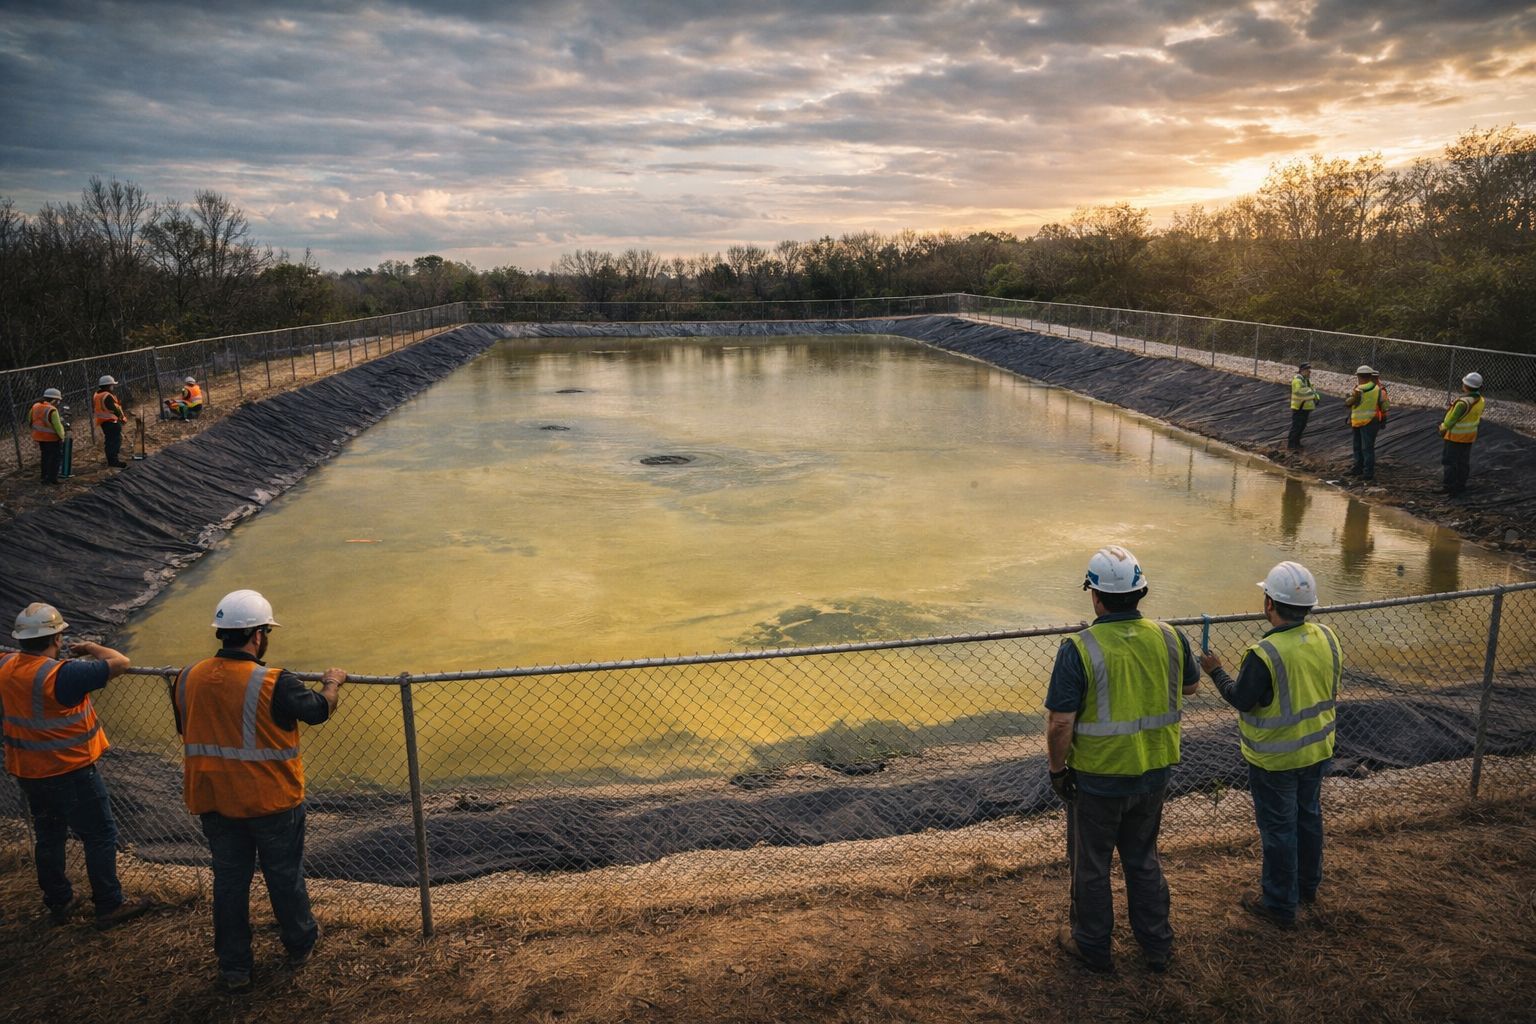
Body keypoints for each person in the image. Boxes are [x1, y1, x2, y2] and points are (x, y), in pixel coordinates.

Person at [174, 589, 347, 992]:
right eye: (266, 631)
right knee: (283, 875)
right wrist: (332, 683)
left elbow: (188, 727)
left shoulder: (186, 677)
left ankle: (234, 967)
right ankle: (300, 944)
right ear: (256, 636)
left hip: (214, 800)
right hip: (269, 801)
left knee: (230, 882)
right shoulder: (274, 681)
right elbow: (318, 711)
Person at [1045, 546, 1200, 973]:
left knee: (1091, 866)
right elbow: (1190, 687)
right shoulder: (1170, 636)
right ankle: (1157, 946)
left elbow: (1061, 723)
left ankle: (1093, 947)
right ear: (1140, 592)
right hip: (1154, 772)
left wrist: (1058, 771)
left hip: (1098, 779)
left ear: (1094, 595)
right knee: (1143, 858)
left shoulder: (1079, 648)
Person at [1197, 562, 1341, 930]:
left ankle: (1279, 903)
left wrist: (1215, 670)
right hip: (1318, 748)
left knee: (1279, 829)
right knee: (1308, 818)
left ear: (1269, 604)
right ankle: (1307, 887)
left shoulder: (1265, 653)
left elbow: (1242, 698)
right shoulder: (1327, 636)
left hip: (1276, 759)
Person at [1, 602, 153, 929]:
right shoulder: (64, 674)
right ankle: (109, 904)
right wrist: (91, 647)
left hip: (29, 771)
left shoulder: (6, 665)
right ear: (56, 638)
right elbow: (121, 662)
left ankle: (59, 900)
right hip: (70, 772)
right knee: (100, 834)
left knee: (49, 835)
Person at [1439, 372, 1484, 497]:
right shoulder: (1480, 400)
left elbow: (1450, 421)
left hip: (1455, 436)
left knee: (1449, 461)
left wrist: (1442, 428)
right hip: (1469, 436)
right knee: (1463, 462)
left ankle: (1449, 487)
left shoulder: (1462, 403)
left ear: (1466, 385)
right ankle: (1460, 486)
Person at [1344, 365, 1388, 481]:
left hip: (1358, 421)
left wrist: (1349, 398)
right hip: (1371, 421)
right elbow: (1385, 406)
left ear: (1359, 376)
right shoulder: (1378, 390)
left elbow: (1348, 403)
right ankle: (1367, 472)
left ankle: (1360, 469)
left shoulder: (1357, 390)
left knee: (1358, 446)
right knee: (1368, 448)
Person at [30, 386, 66, 484]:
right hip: (52, 439)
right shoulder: (52, 410)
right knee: (55, 459)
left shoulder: (35, 406)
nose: (58, 403)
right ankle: (52, 479)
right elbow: (57, 426)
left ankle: (44, 475)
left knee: (45, 457)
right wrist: (62, 437)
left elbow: (30, 419)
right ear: (54, 400)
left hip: (39, 437)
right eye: (58, 400)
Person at [93, 375, 128, 468]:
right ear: (108, 385)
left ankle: (111, 460)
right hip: (112, 422)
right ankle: (114, 462)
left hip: (103, 422)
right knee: (115, 441)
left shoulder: (97, 395)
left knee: (109, 442)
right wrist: (123, 418)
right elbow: (115, 409)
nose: (113, 387)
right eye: (112, 385)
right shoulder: (107, 396)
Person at [1287, 361, 1320, 451]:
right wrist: (1312, 393)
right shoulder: (1297, 380)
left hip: (1305, 407)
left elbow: (1314, 391)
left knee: (1302, 426)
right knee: (1296, 426)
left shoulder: (1306, 381)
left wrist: (1315, 397)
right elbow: (1299, 391)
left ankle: (1297, 443)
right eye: (1307, 370)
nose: (1309, 372)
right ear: (1302, 370)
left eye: (1309, 370)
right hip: (1299, 407)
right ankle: (1291, 444)